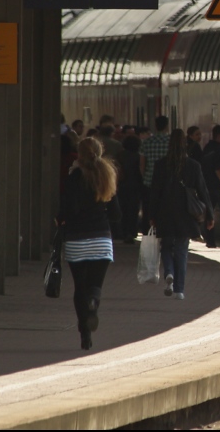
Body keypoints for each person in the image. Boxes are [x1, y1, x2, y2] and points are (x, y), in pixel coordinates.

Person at [57, 137, 121, 350]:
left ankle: (85, 334)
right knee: (95, 285)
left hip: (77, 238)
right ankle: (93, 302)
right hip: (101, 239)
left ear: (79, 154)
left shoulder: (74, 176)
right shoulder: (107, 175)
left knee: (79, 287)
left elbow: (66, 209)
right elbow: (116, 214)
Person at [149, 129, 214, 299]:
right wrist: (210, 216)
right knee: (181, 250)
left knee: (166, 246)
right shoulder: (194, 166)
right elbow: (203, 191)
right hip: (186, 213)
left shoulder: (160, 165)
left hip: (164, 212)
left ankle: (169, 273)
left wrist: (151, 215)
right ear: (186, 145)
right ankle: (179, 290)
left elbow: (154, 192)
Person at [116, 134, 144, 244]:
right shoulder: (138, 156)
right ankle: (132, 232)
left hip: (121, 186)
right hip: (135, 186)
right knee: (133, 210)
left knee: (122, 209)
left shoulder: (119, 155)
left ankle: (122, 232)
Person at [139, 115, 170, 192]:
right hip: (168, 180)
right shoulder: (172, 142)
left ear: (156, 126)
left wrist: (144, 178)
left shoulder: (146, 142)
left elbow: (142, 164)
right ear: (167, 126)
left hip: (150, 180)